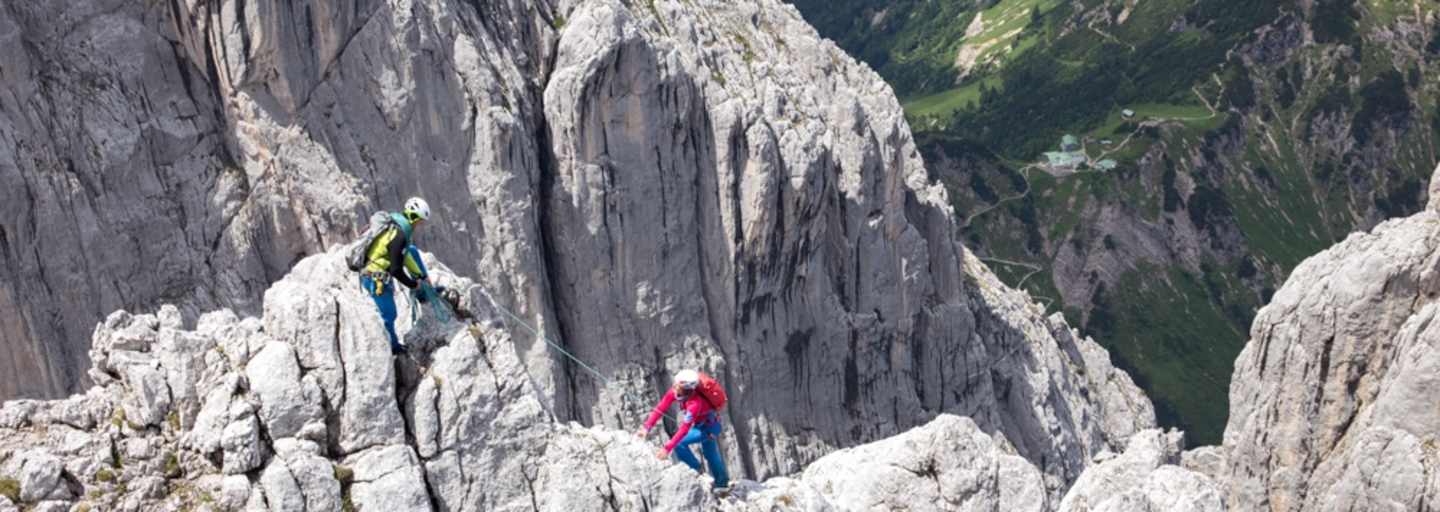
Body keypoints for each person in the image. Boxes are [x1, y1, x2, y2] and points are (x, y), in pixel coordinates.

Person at [358, 197, 435, 355]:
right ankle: (392, 348)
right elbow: (396, 270)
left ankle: (423, 294)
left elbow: (406, 256)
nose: (419, 225)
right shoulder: (399, 235)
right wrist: (413, 284)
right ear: (414, 218)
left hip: (374, 274)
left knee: (413, 251)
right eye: (419, 221)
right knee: (389, 314)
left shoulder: (396, 225)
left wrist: (421, 276)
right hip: (375, 278)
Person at [636, 370, 730, 490]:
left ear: (685, 389)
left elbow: (684, 429)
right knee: (710, 453)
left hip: (709, 427)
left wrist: (666, 449)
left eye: (677, 384)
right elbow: (661, 407)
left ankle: (699, 472)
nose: (674, 385)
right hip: (705, 423)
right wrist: (646, 427)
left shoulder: (695, 403)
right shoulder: (676, 392)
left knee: (683, 444)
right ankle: (721, 483)